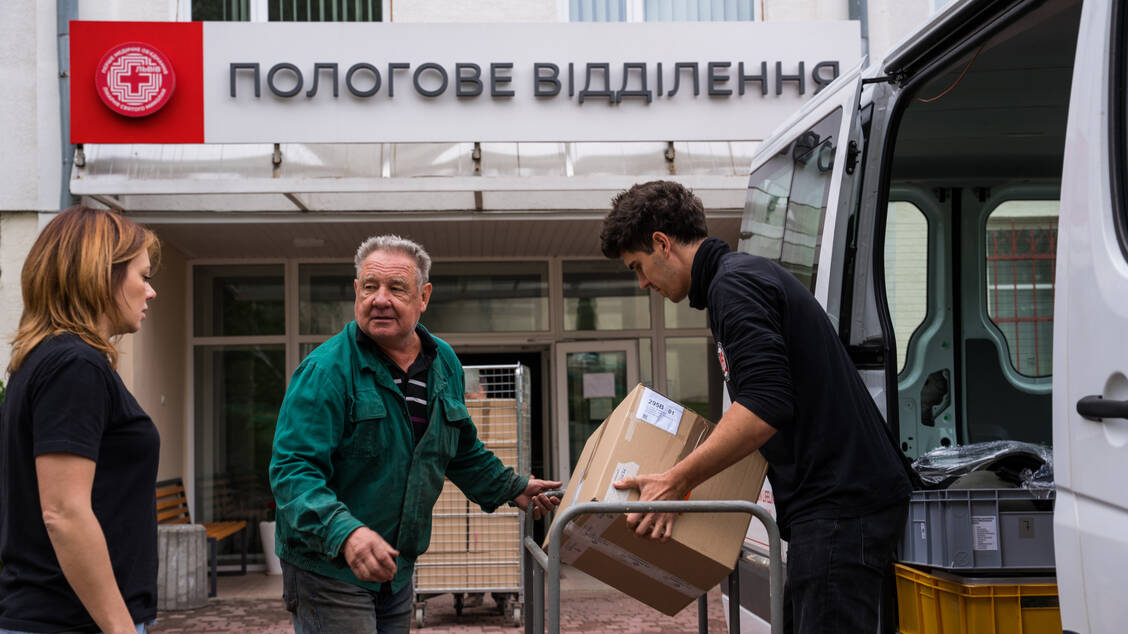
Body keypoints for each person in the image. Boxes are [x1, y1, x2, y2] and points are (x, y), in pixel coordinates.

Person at [600, 181, 911, 633]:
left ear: (661, 244)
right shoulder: (737, 280)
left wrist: (675, 480)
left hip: (840, 505)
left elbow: (765, 405)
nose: (643, 282)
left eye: (638, 266)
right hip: (832, 503)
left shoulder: (735, 286)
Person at [269, 234, 560, 634]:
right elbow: (293, 472)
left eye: (396, 288)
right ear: (356, 291)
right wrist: (346, 532)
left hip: (396, 568)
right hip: (328, 569)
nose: (380, 299)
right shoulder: (325, 372)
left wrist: (512, 487)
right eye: (370, 287)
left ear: (423, 297)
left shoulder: (443, 363)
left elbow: (459, 449)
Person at [0, 206, 160, 634]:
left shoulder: (46, 361)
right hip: (70, 622)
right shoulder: (74, 365)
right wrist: (121, 628)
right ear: (100, 274)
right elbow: (64, 512)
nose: (151, 292)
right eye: (142, 276)